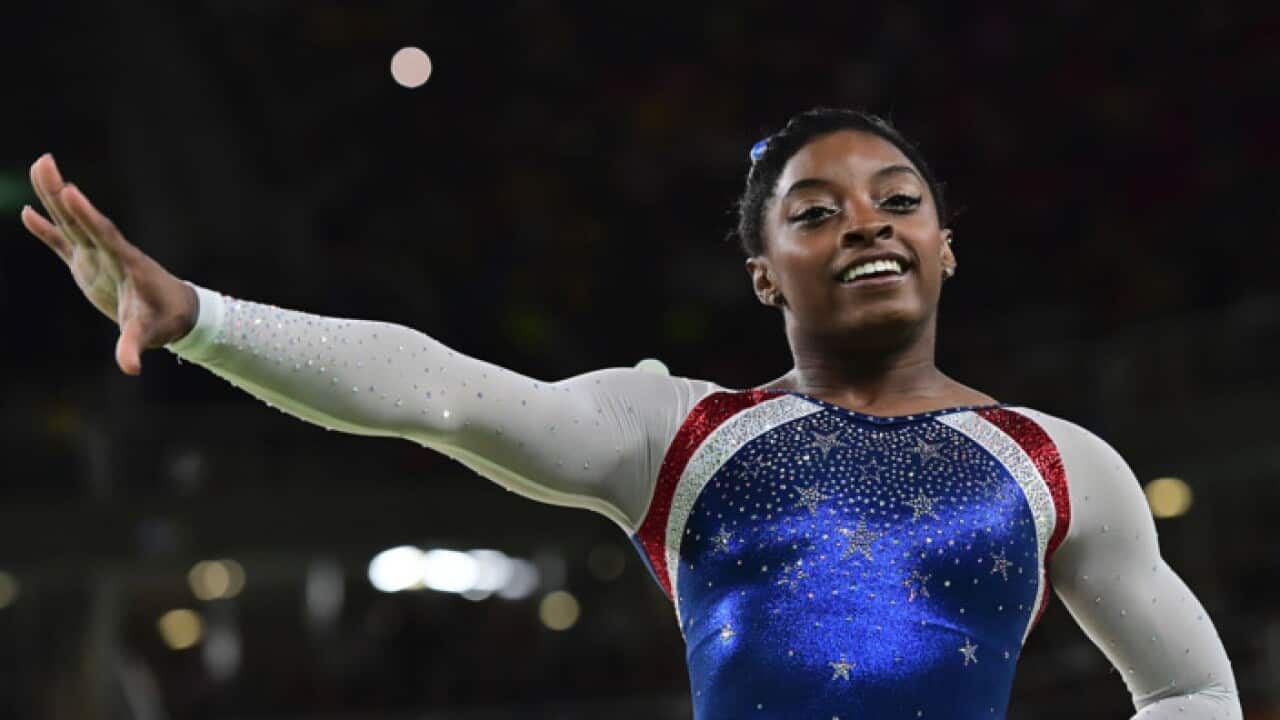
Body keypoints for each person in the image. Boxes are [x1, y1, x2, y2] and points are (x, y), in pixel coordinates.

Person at [21, 108, 1241, 719]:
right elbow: (438, 393)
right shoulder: (681, 437)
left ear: (943, 244)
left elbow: (1192, 696)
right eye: (814, 213)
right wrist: (207, 320)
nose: (864, 222)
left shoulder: (1056, 462)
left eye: (896, 199)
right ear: (762, 275)